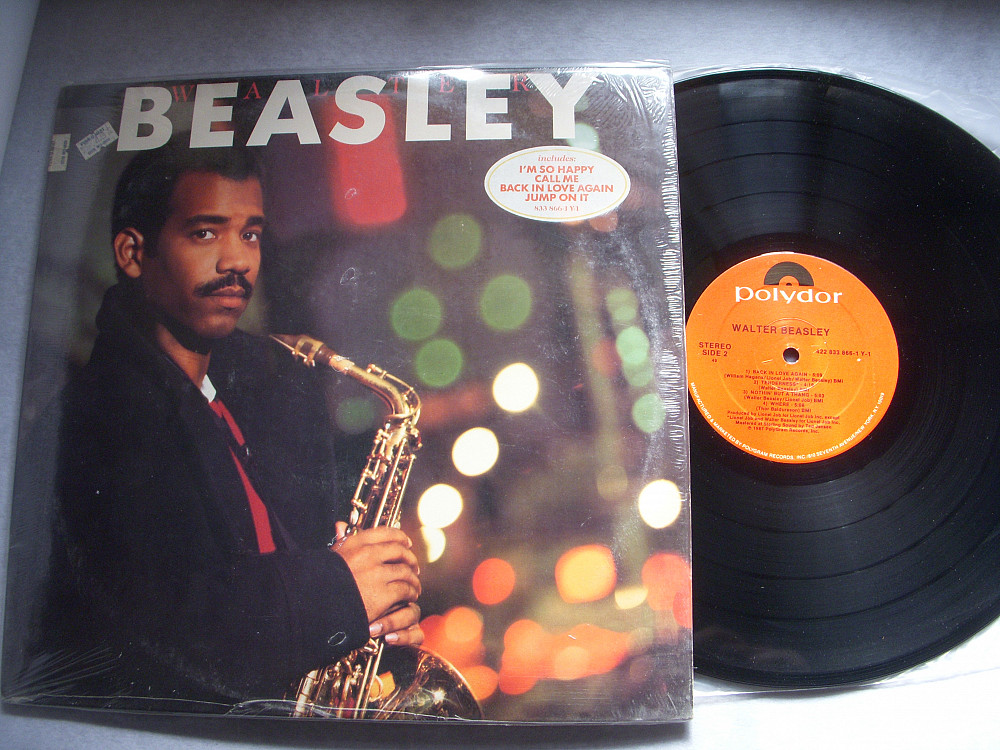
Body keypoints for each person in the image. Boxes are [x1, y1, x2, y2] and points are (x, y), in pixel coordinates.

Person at [21, 140, 423, 711]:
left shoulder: (256, 396)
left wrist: (376, 620)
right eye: (205, 233)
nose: (237, 261)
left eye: (250, 234)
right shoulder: (92, 423)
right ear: (133, 253)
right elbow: (168, 630)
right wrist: (338, 592)